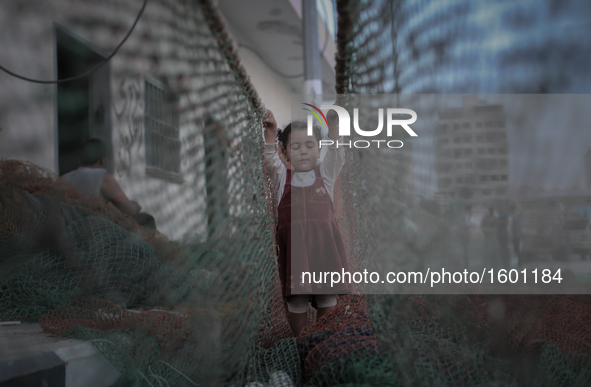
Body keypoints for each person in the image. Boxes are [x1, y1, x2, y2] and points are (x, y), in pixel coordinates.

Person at [263, 109, 353, 336]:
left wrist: (333, 127)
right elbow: (270, 161)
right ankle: (303, 343)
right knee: (297, 298)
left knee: (327, 296)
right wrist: (271, 133)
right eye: (296, 146)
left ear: (319, 148)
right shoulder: (283, 177)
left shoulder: (326, 174)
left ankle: (321, 340)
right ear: (285, 152)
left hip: (323, 249)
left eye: (309, 145)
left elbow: (337, 153)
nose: (303, 151)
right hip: (296, 252)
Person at [61, 138, 156, 229]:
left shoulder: (66, 177)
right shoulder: (102, 177)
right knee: (147, 219)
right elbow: (129, 210)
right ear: (102, 159)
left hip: (71, 228)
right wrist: (136, 206)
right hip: (95, 230)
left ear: (80, 159)